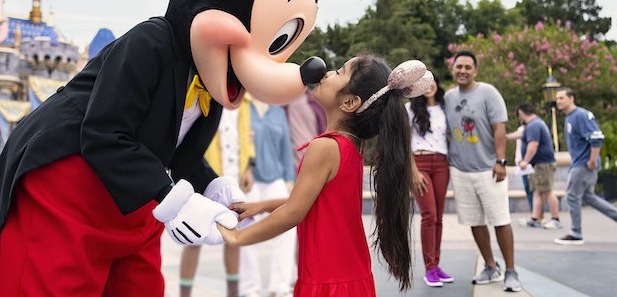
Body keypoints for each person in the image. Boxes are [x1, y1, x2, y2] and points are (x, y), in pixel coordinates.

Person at [0, 0, 327, 296]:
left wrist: (209, 186)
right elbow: (103, 132)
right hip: (65, 185)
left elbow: (173, 149)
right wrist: (173, 199)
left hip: (131, 202)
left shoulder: (215, 82)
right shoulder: (152, 41)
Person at [219, 56, 433, 295]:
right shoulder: (349, 145)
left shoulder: (325, 148)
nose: (327, 72)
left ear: (350, 102)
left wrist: (237, 237)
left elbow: (294, 213)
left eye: (339, 71)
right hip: (349, 275)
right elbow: (317, 201)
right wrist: (261, 206)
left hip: (328, 281)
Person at [445, 51, 522, 293]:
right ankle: (491, 266)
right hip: (461, 170)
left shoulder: (489, 93)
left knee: (500, 220)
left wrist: (501, 161)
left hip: (489, 169)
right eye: (459, 66)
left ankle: (511, 271)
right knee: (474, 222)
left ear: (475, 71)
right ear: (453, 69)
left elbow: (499, 129)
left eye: (468, 67)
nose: (463, 71)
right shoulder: (448, 96)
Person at [179, 96, 256, 297]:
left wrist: (248, 166)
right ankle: (185, 292)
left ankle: (233, 292)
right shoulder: (208, 97)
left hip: (233, 175)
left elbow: (247, 136)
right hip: (206, 173)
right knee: (194, 238)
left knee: (233, 234)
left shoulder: (245, 103)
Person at [554, 88, 617, 245]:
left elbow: (596, 137)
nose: (558, 101)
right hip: (580, 163)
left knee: (572, 196)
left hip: (584, 164)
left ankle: (576, 233)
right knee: (588, 197)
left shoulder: (581, 115)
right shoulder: (569, 118)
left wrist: (592, 160)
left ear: (571, 98)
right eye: (557, 98)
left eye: (562, 98)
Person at [239, 97, 296, 297]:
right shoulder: (242, 108)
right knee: (246, 230)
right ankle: (251, 288)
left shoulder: (278, 111)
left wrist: (290, 180)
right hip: (249, 179)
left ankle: (279, 286)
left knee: (287, 229)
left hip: (276, 179)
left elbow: (285, 149)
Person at [406, 72, 453, 287]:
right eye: (424, 83)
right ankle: (429, 268)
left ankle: (437, 264)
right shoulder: (410, 110)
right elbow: (404, 144)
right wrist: (413, 171)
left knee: (439, 217)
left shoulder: (445, 108)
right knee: (429, 215)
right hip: (420, 163)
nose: (429, 85)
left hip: (442, 164)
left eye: (432, 81)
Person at [516, 103, 562, 229]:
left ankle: (555, 218)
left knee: (547, 191)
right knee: (538, 191)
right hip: (538, 164)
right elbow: (520, 136)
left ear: (521, 113)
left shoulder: (534, 125)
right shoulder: (535, 124)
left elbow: (533, 145)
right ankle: (535, 218)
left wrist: (525, 161)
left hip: (543, 163)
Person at [506, 124, 533, 213]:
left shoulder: (532, 127)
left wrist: (503, 135)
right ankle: (533, 212)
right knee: (527, 188)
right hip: (521, 163)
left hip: (529, 163)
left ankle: (536, 213)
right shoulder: (521, 128)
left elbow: (519, 135)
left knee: (532, 189)